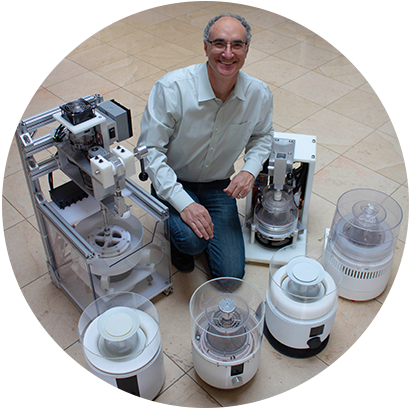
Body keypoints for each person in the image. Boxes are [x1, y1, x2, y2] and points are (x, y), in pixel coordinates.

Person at [137, 13, 274, 278]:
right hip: (174, 180)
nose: (227, 53)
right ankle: (182, 236)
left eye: (236, 45)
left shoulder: (259, 94)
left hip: (218, 184)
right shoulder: (172, 88)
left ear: (247, 50)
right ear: (205, 47)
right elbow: (150, 151)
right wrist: (184, 204)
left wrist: (249, 170)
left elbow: (262, 136)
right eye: (219, 43)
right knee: (190, 242)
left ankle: (199, 231)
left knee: (231, 276)